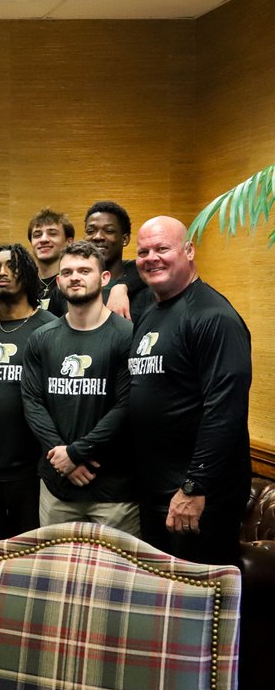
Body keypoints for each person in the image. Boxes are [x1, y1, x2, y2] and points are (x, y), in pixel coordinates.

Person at [128, 216, 252, 565]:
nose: (151, 257)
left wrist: (194, 487)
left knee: (194, 607)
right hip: (156, 491)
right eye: (143, 251)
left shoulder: (214, 317)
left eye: (162, 249)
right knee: (160, 605)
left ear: (189, 251)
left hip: (195, 496)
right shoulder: (152, 312)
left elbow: (225, 409)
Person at [21, 241, 138, 536]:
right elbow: (33, 402)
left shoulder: (128, 336)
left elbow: (127, 406)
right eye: (68, 272)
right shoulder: (41, 338)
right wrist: (63, 459)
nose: (75, 277)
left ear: (105, 278)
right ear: (58, 281)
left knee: (117, 580)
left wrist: (75, 453)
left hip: (115, 491)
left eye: (85, 270)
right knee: (56, 579)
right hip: (57, 487)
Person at [0, 244, 57, 540]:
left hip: (34, 469)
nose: (2, 273)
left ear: (28, 274)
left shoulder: (50, 328)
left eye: (12, 266)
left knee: (32, 561)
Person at [84, 201, 150, 317]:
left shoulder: (143, 282)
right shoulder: (74, 282)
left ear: (125, 239)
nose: (97, 236)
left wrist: (121, 286)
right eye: (90, 231)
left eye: (109, 231)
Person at [27, 208, 74, 315]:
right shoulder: (24, 285)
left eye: (52, 234)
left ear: (69, 242)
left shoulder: (75, 281)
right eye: (37, 235)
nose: (43, 240)